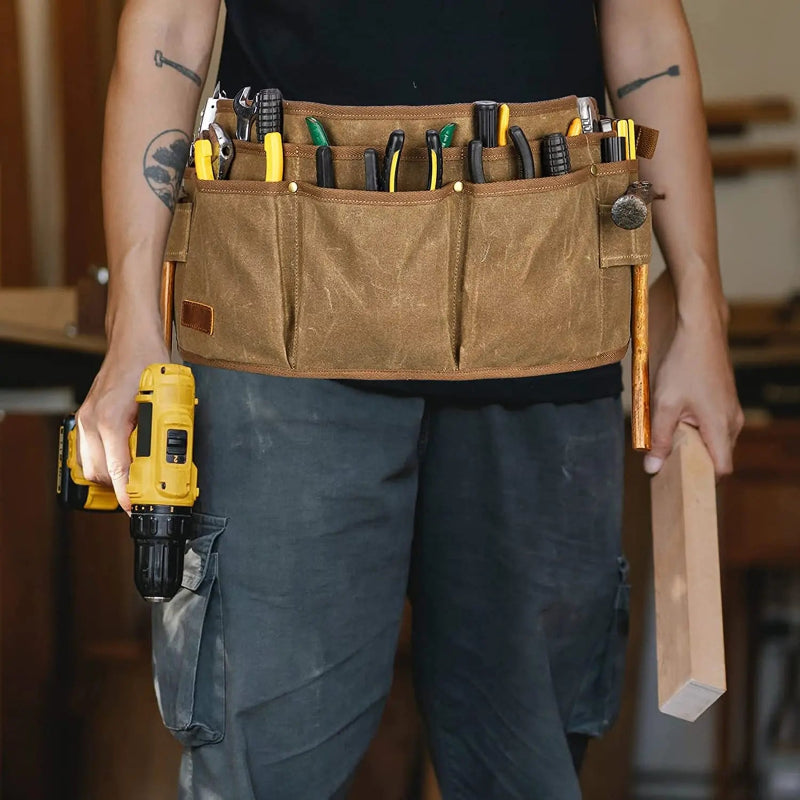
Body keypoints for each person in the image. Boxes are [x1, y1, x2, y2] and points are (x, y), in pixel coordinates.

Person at [76, 0, 743, 797]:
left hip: (544, 314)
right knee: (262, 763)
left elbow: (643, 25)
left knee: (527, 763)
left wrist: (703, 313)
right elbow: (167, 24)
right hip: (281, 331)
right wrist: (133, 330)